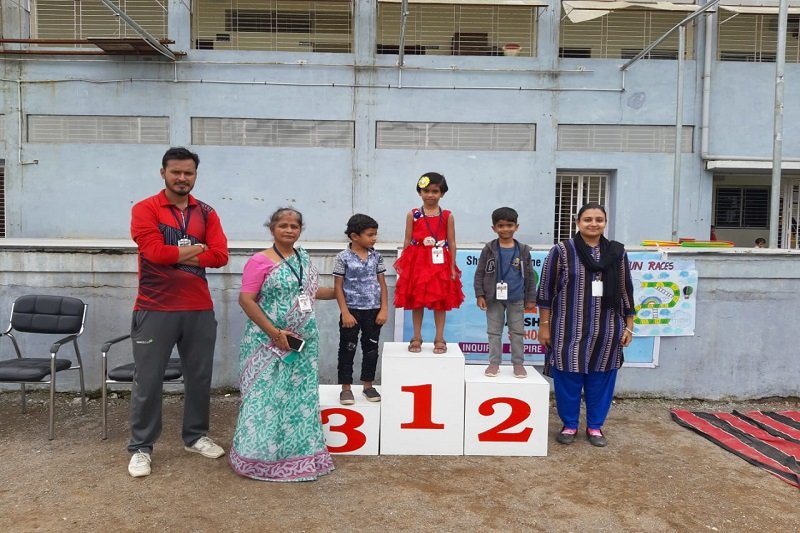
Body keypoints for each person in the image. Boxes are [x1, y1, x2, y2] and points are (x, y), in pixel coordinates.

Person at [127, 147, 229, 478]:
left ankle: (195, 436)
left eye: (189, 173)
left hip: (199, 308)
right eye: (176, 172)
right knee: (148, 380)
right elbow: (154, 253)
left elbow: (220, 256)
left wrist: (177, 253)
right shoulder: (145, 209)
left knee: (199, 378)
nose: (182, 178)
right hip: (155, 307)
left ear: (195, 175)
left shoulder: (207, 212)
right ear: (163, 173)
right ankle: (141, 447)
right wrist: (198, 249)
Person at [229, 207, 336, 482]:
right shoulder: (259, 261)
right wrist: (275, 333)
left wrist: (344, 290)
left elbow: (312, 292)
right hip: (267, 343)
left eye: (294, 226)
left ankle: (299, 458)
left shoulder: (302, 259)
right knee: (264, 399)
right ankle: (257, 460)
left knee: (298, 399)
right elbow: (246, 300)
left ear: (300, 230)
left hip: (302, 343)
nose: (289, 230)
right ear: (272, 229)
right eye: (283, 225)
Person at [536, 203, 634, 448]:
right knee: (568, 376)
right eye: (588, 219)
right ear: (578, 222)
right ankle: (569, 425)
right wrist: (544, 325)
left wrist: (629, 325)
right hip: (568, 328)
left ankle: (595, 427)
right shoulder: (561, 251)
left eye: (599, 219)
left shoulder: (617, 252)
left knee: (601, 376)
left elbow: (625, 290)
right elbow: (546, 291)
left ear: (605, 223)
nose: (593, 224)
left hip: (607, 327)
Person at [394, 172, 465, 354]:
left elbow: (452, 242)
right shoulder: (413, 214)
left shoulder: (447, 215)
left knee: (440, 301)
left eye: (435, 191)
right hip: (417, 262)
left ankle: (439, 338)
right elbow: (407, 240)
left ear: (442, 193)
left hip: (440, 263)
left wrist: (452, 266)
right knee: (417, 301)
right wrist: (405, 266)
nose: (430, 195)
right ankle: (416, 337)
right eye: (426, 191)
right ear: (420, 192)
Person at [474, 207, 537, 379]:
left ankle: (518, 364)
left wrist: (531, 298)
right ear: (493, 228)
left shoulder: (523, 250)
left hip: (517, 298)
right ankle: (494, 363)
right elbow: (479, 273)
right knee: (494, 332)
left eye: (509, 225)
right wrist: (480, 294)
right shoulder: (489, 249)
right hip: (493, 298)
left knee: (517, 332)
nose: (505, 229)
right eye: (501, 226)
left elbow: (530, 276)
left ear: (516, 226)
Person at [333, 214, 388, 405]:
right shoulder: (342, 257)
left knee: (371, 349)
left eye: (375, 234)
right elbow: (338, 286)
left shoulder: (376, 256)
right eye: (370, 235)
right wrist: (345, 312)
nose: (374, 238)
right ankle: (346, 388)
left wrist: (384, 309)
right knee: (347, 349)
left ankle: (368, 385)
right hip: (351, 312)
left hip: (373, 311)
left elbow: (382, 283)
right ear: (354, 236)